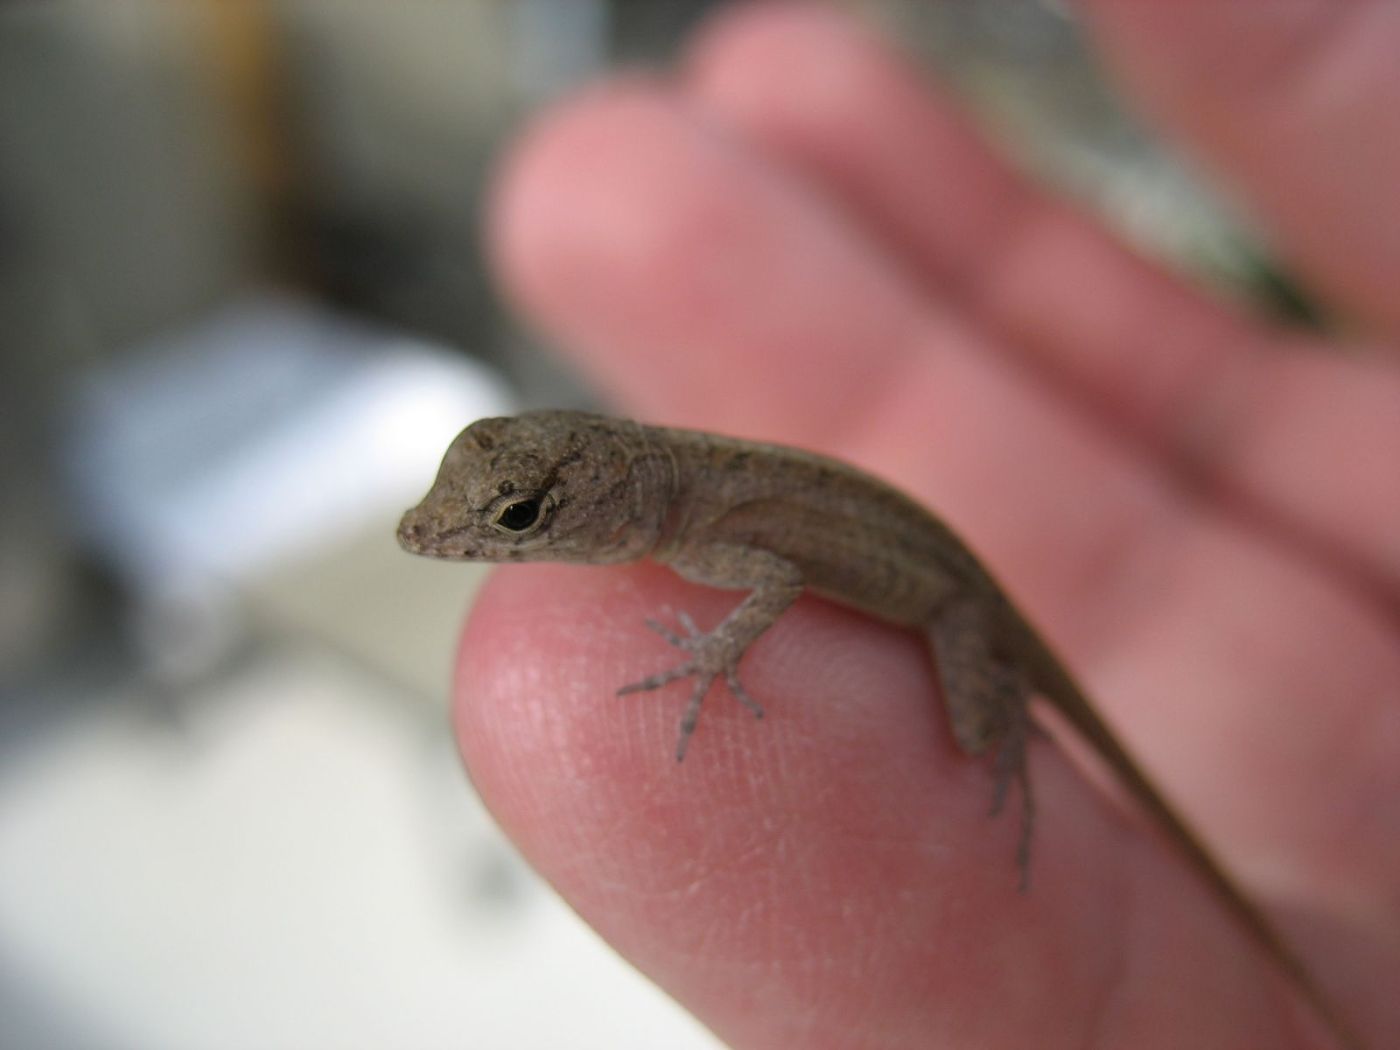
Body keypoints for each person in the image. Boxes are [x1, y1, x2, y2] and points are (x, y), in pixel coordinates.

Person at [460, 5, 1399, 1046]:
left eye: (517, 520)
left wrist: (715, 654)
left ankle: (1022, 728)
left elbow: (776, 582)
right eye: (514, 516)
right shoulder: (674, 500)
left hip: (949, 602)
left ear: (603, 500)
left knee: (977, 738)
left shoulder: (693, 528)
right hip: (927, 558)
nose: (473, 537)